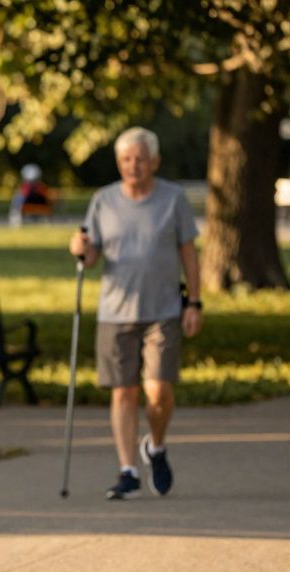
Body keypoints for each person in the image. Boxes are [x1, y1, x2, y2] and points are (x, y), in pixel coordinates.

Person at [69, 126, 202, 501]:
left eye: (141, 159)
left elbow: (189, 254)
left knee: (159, 393)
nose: (133, 166)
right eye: (126, 159)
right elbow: (91, 257)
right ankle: (128, 471)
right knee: (124, 393)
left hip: (163, 310)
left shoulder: (173, 199)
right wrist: (79, 249)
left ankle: (155, 447)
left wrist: (194, 302)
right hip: (116, 311)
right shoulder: (104, 200)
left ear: (155, 162)